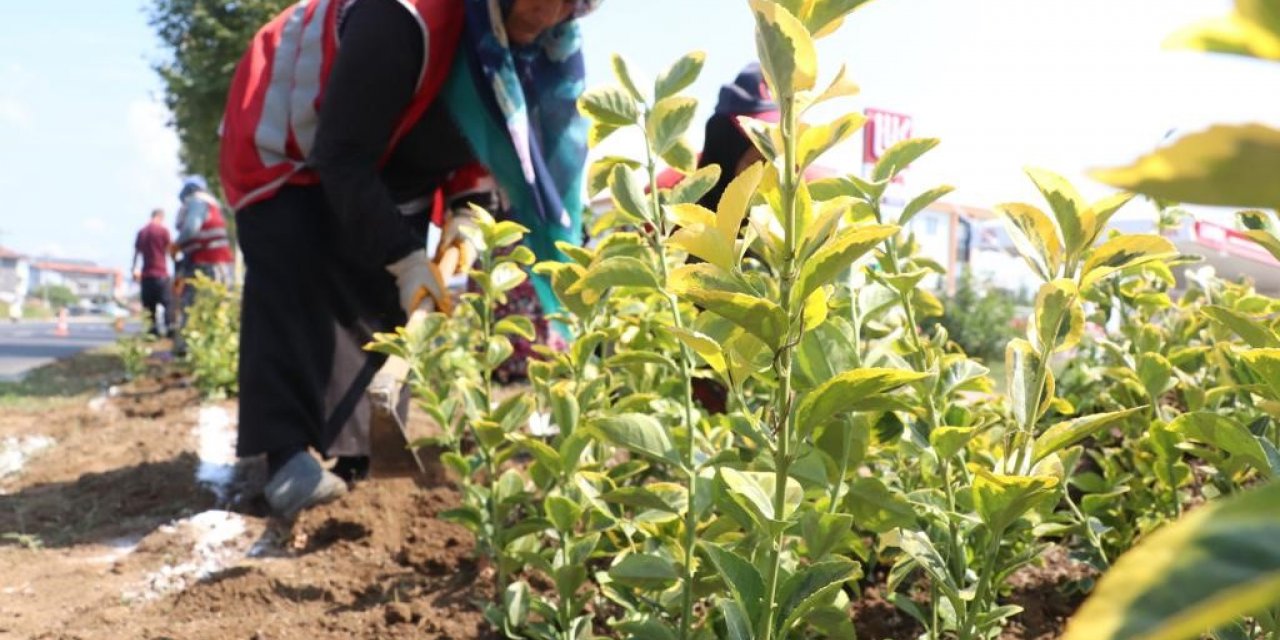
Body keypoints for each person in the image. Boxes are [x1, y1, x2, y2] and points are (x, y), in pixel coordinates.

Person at [219, 0, 601, 517]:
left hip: (393, 152)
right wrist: (406, 257)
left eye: (570, 4)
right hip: (290, 133)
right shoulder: (402, 16)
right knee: (298, 268)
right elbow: (343, 154)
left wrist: (470, 212)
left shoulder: (522, 52)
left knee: (384, 300)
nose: (550, 14)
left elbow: (483, 132)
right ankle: (285, 456)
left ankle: (358, 456)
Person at [172, 175, 235, 355]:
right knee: (217, 305)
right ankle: (214, 348)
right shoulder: (212, 203)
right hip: (218, 263)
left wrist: (176, 244)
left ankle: (188, 349)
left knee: (193, 304)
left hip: (206, 262)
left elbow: (192, 228)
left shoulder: (197, 202)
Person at [132, 209, 174, 337]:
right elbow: (170, 250)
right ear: (161, 217)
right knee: (167, 302)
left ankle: (152, 331)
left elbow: (136, 253)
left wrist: (134, 269)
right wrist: (177, 265)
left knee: (149, 305)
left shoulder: (142, 232)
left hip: (147, 274)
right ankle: (169, 327)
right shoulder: (163, 231)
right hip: (161, 273)